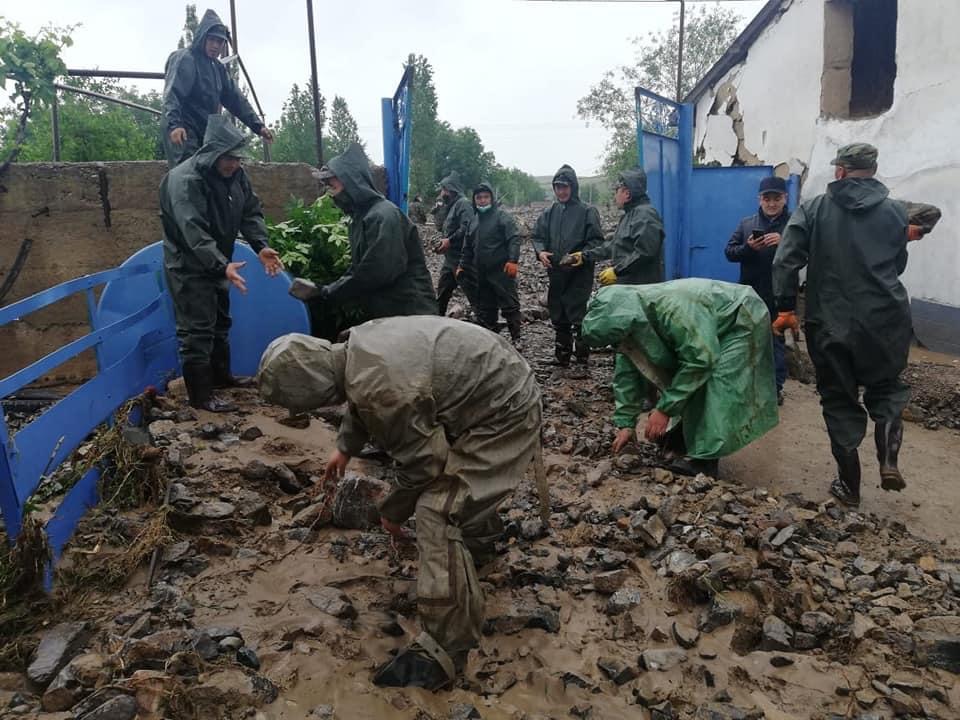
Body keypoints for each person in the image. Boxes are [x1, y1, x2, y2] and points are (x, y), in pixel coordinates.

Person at [258, 317, 542, 689]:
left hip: (506, 410)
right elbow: (363, 397)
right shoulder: (357, 346)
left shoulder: (384, 388)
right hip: (491, 383)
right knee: (453, 490)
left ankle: (444, 649)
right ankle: (477, 544)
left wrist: (392, 512)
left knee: (436, 511)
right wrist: (345, 448)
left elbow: (426, 465)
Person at [772, 143, 941, 506]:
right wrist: (906, 232)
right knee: (887, 389)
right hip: (886, 320)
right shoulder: (895, 211)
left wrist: (786, 307)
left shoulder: (814, 209)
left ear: (840, 171)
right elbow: (908, 247)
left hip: (829, 322)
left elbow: (785, 260)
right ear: (873, 171)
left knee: (839, 399)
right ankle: (888, 461)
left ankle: (850, 487)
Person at [582, 280, 779, 476]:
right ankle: (683, 438)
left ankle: (705, 461)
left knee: (716, 382)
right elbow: (628, 375)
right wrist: (626, 424)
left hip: (740, 317)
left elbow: (701, 361)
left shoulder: (673, 311)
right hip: (707, 323)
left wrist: (664, 409)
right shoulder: (630, 323)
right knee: (686, 377)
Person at [160, 114, 283, 412]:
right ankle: (201, 397)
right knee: (197, 329)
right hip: (189, 266)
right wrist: (220, 264)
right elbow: (193, 231)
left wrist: (261, 245)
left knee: (220, 322)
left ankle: (221, 378)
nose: (234, 164)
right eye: (229, 158)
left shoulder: (235, 175)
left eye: (238, 158)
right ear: (212, 152)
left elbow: (250, 211)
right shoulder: (186, 180)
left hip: (219, 262)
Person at [292, 143, 437, 319]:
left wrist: (327, 293)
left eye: (332, 185)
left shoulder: (383, 215)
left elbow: (376, 271)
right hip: (390, 313)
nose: (329, 192)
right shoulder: (360, 219)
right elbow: (357, 268)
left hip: (410, 313)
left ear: (351, 182)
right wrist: (324, 291)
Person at [562, 168, 664, 404]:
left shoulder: (645, 215)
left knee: (643, 342)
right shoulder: (629, 215)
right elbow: (613, 246)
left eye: (617, 190)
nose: (615, 194)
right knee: (627, 341)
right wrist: (584, 256)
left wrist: (618, 271)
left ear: (627, 193)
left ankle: (649, 394)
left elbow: (646, 251)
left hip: (642, 290)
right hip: (628, 291)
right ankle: (631, 391)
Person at [161, 9, 274, 168]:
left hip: (204, 130)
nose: (215, 45)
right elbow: (173, 94)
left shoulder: (217, 68)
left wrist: (258, 126)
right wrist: (174, 125)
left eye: (220, 42)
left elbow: (235, 99)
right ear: (203, 38)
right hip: (183, 127)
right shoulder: (185, 58)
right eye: (212, 40)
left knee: (209, 170)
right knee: (187, 173)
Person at [725, 175, 791, 405]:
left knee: (776, 342)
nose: (771, 203)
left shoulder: (794, 225)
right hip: (750, 293)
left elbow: (809, 253)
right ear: (759, 199)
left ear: (785, 198)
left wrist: (785, 242)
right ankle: (746, 385)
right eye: (767, 198)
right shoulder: (747, 224)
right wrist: (749, 248)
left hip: (781, 294)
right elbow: (729, 252)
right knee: (746, 339)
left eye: (776, 198)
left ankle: (774, 388)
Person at [531, 165, 604, 365]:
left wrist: (581, 256)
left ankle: (582, 359)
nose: (561, 191)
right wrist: (540, 252)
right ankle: (562, 356)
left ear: (573, 187)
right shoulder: (549, 212)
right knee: (559, 313)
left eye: (564, 187)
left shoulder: (588, 211)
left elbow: (597, 241)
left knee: (578, 315)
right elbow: (537, 236)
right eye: (557, 187)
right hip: (556, 272)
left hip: (579, 273)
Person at [461, 182, 523, 343]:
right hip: (480, 272)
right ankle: (490, 341)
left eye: (486, 197)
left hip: (501, 270)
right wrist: (462, 265)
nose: (482, 201)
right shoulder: (473, 221)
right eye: (479, 197)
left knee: (509, 305)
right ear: (474, 200)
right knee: (485, 308)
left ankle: (516, 338)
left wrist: (513, 260)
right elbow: (467, 247)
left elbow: (514, 238)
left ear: (492, 198)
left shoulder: (502, 217)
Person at [435, 172, 477, 316]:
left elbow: (467, 227)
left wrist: (450, 240)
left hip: (462, 259)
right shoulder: (451, 205)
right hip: (450, 258)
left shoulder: (463, 204)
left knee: (472, 292)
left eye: (443, 190)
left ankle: (485, 321)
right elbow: (443, 227)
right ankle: (437, 320)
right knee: (442, 292)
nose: (442, 193)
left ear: (451, 190)